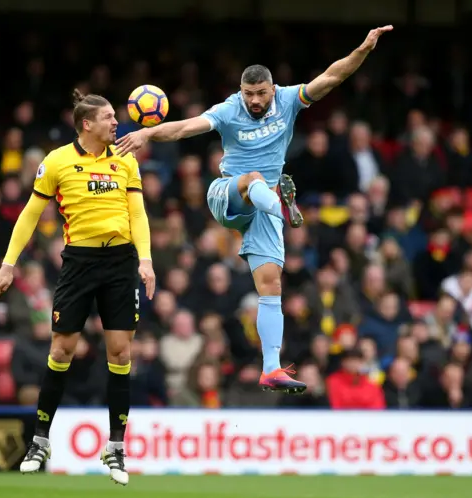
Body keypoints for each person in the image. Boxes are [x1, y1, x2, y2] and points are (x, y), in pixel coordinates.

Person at [117, 26, 393, 393]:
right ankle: (283, 205)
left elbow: (333, 76)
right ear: (241, 91)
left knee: (270, 284)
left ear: (273, 89)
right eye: (249, 94)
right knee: (251, 179)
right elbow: (187, 127)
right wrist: (148, 134)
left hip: (263, 208)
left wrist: (363, 48)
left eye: (261, 93)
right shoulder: (230, 109)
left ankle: (271, 367)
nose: (255, 100)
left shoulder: (290, 99)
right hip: (228, 194)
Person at [0, 90, 156, 485]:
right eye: (110, 118)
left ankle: (116, 447)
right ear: (87, 124)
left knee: (120, 351)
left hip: (120, 263)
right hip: (79, 263)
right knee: (61, 348)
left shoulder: (126, 158)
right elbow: (31, 214)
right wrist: (8, 264)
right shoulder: (57, 161)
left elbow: (137, 212)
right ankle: (40, 440)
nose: (118, 122)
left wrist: (145, 260)